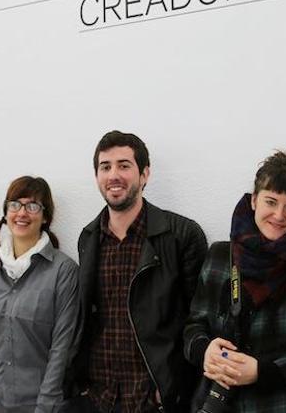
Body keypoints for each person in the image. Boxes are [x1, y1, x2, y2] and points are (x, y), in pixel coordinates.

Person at [69, 130, 208, 413]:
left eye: (124, 165)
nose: (113, 175)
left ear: (145, 174)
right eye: (105, 167)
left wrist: (174, 387)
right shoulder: (89, 237)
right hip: (99, 397)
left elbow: (199, 319)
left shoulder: (181, 235)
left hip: (153, 399)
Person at [184, 151, 286, 412]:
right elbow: (194, 325)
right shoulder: (219, 256)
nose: (279, 215)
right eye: (271, 202)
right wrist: (205, 351)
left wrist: (264, 372)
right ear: (253, 201)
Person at [0, 176, 79, 412]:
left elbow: (62, 350)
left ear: (45, 217)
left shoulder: (64, 272)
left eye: (32, 206)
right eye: (15, 204)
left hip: (42, 405)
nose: (22, 213)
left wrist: (45, 408)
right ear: (6, 212)